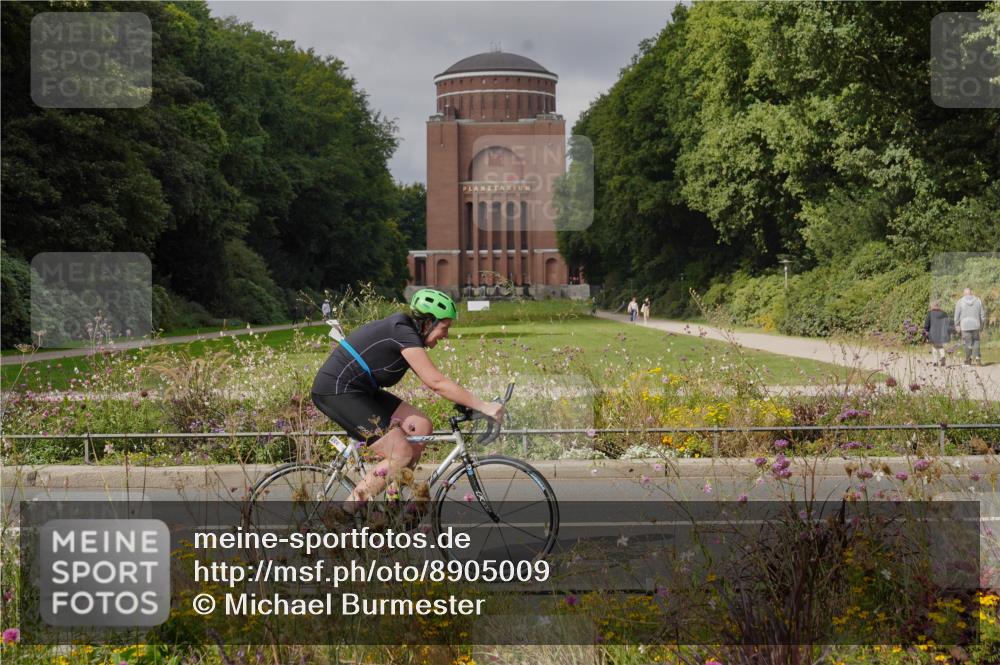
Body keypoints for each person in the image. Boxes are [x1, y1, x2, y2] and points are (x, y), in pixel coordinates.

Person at [311, 289, 504, 509]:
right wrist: (484, 406)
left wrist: (469, 404)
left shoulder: (407, 333)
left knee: (420, 426)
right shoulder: (401, 332)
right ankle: (343, 516)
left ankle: (393, 507)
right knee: (400, 453)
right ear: (428, 322)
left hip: (362, 390)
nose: (446, 335)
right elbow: (436, 382)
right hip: (336, 390)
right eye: (444, 327)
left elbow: (437, 384)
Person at [954, 288, 985, 365]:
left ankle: (968, 360)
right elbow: (982, 315)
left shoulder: (960, 301)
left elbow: (956, 316)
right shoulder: (978, 300)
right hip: (976, 324)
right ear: (971, 293)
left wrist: (957, 325)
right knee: (976, 341)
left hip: (965, 325)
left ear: (964, 293)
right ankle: (977, 359)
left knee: (967, 343)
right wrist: (981, 325)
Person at [923, 300, 950, 367]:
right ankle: (942, 356)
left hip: (933, 333)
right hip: (942, 332)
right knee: (940, 346)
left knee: (934, 346)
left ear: (933, 306)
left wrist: (926, 330)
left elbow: (927, 323)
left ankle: (935, 362)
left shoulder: (930, 313)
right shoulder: (944, 313)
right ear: (938, 306)